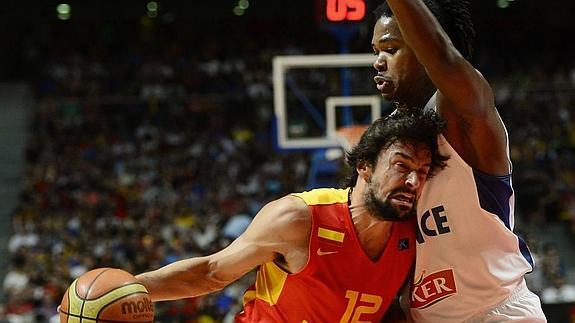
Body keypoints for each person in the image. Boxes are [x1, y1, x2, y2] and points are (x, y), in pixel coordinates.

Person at [136, 111, 447, 322]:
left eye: (422, 172)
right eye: (402, 166)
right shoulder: (300, 218)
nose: (413, 182)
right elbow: (211, 272)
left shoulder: (413, 235)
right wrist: (128, 289)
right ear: (363, 166)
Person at [371, 0, 547, 321]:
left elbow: (443, 57)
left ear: (423, 48)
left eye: (391, 48)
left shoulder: (460, 111)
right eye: (375, 51)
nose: (379, 62)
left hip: (496, 313)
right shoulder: (383, 139)